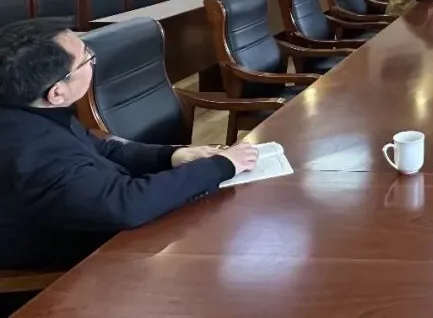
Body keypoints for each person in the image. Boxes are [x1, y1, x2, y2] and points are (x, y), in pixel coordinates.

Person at [0, 19, 260, 273]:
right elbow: (125, 204)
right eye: (86, 59)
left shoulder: (30, 110)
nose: (93, 60)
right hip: (80, 269)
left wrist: (173, 156)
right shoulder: (34, 149)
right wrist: (221, 166)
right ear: (57, 93)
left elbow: (102, 149)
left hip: (107, 228)